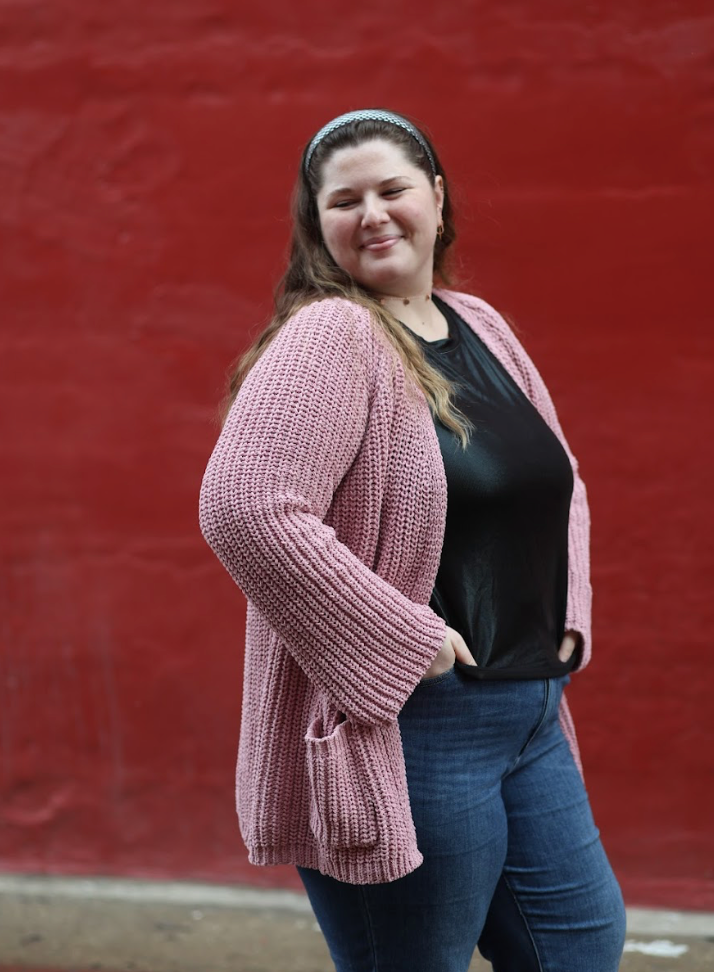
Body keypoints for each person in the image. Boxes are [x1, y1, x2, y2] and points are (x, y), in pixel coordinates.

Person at [198, 108, 626, 971]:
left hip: (531, 711)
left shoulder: (480, 324)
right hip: (410, 726)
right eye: (344, 201)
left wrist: (568, 613)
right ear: (317, 225)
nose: (374, 214)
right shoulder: (333, 334)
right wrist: (408, 642)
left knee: (580, 945)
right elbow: (245, 506)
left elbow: (559, 477)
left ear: (435, 196)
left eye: (392, 190)